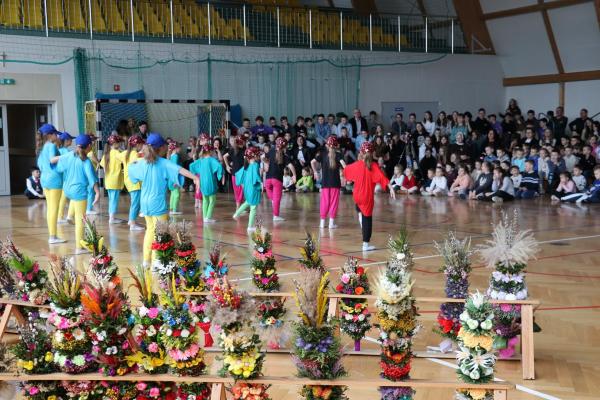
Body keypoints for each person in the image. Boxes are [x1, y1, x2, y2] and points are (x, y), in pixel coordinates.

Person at [129, 133, 198, 264]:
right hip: (157, 203)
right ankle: (157, 261)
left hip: (145, 203)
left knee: (150, 230)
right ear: (161, 148)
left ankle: (146, 261)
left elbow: (131, 170)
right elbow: (180, 170)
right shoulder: (164, 163)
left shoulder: (142, 162)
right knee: (160, 233)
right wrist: (195, 178)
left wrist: (136, 161)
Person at [343, 142, 395, 252]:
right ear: (372, 153)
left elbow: (346, 170)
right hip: (366, 197)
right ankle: (365, 245)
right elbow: (382, 178)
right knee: (367, 220)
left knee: (359, 207)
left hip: (356, 195)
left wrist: (343, 164)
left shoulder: (357, 164)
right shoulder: (373, 166)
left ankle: (360, 216)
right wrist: (391, 188)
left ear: (361, 153)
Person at [56, 134, 100, 254]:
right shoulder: (86, 161)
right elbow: (92, 178)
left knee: (74, 202)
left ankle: (70, 216)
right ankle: (79, 248)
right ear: (89, 146)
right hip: (79, 191)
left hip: (67, 189)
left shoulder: (70, 155)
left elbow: (59, 168)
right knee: (80, 219)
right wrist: (97, 192)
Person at [36, 123, 66, 244]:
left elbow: (40, 164)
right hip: (54, 180)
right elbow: (52, 159)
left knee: (50, 208)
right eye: (55, 134)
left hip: (44, 180)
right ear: (49, 135)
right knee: (54, 208)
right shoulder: (51, 146)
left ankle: (52, 235)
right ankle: (53, 237)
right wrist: (66, 156)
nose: (57, 136)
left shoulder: (41, 148)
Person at [311, 136, 346, 229]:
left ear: (327, 145)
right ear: (336, 145)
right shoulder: (338, 154)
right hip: (335, 183)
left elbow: (312, 162)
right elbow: (345, 166)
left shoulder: (322, 154)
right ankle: (331, 224)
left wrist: (315, 172)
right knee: (334, 202)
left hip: (325, 183)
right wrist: (345, 177)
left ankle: (322, 223)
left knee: (324, 202)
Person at [189, 144, 224, 224]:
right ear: (210, 151)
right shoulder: (211, 160)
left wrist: (194, 176)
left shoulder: (201, 160)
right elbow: (219, 166)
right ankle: (208, 217)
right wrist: (219, 175)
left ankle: (205, 217)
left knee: (205, 200)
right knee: (212, 200)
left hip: (202, 182)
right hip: (210, 182)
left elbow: (191, 165)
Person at [264, 137, 296, 222]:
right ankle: (276, 216)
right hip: (277, 180)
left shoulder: (271, 151)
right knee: (277, 199)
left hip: (268, 179)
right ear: (285, 147)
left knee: (272, 196)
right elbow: (291, 166)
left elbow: (264, 157)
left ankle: (273, 202)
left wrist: (266, 165)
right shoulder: (285, 156)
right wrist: (294, 175)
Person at [118, 135, 145, 231]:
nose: (142, 146)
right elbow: (141, 161)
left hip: (128, 180)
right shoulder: (135, 154)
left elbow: (118, 156)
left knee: (135, 201)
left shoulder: (125, 153)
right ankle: (132, 224)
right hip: (135, 182)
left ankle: (131, 220)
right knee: (135, 203)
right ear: (137, 145)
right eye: (141, 144)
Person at [232, 147, 263, 232]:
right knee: (253, 207)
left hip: (247, 188)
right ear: (254, 156)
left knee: (247, 202)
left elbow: (238, 174)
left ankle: (236, 214)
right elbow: (256, 176)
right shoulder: (255, 165)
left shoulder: (246, 166)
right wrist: (260, 183)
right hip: (253, 188)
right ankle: (250, 226)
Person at [99, 134, 125, 224]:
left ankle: (111, 217)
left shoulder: (106, 154)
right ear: (115, 144)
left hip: (108, 181)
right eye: (119, 143)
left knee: (111, 199)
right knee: (114, 200)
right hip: (115, 181)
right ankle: (112, 218)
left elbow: (103, 168)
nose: (120, 144)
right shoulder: (118, 154)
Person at [224, 135, 247, 209]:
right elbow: (246, 162)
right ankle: (239, 207)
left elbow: (224, 156)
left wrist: (227, 166)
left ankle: (239, 207)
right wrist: (227, 166)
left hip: (235, 173)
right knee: (241, 191)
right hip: (241, 174)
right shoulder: (243, 150)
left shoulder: (233, 149)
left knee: (237, 191)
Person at [56, 131, 74, 223]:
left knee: (64, 197)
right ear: (66, 141)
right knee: (65, 197)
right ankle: (62, 216)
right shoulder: (67, 152)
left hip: (61, 177)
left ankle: (63, 216)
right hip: (67, 177)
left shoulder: (59, 150)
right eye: (71, 139)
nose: (72, 141)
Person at [166, 141, 184, 215]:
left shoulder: (170, 156)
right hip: (174, 178)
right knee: (176, 194)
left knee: (173, 194)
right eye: (180, 147)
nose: (181, 149)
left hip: (170, 178)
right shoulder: (175, 156)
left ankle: (171, 209)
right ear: (176, 148)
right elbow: (175, 169)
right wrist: (176, 181)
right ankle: (174, 210)